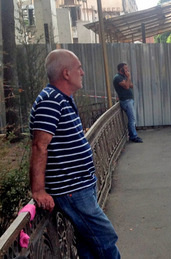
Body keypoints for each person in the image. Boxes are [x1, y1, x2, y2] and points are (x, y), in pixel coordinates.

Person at [29, 49, 121, 258]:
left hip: (81, 185)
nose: (83, 72)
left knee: (89, 244)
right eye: (79, 67)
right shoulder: (51, 100)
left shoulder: (63, 98)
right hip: (72, 189)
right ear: (66, 73)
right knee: (105, 238)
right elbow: (39, 146)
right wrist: (38, 190)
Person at [113, 62, 142, 143]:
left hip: (129, 99)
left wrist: (127, 78)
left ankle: (132, 134)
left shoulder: (123, 77)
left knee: (132, 118)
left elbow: (131, 85)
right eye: (125, 68)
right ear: (121, 69)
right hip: (126, 100)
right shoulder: (117, 77)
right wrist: (128, 77)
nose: (127, 70)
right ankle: (133, 136)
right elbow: (126, 86)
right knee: (132, 119)